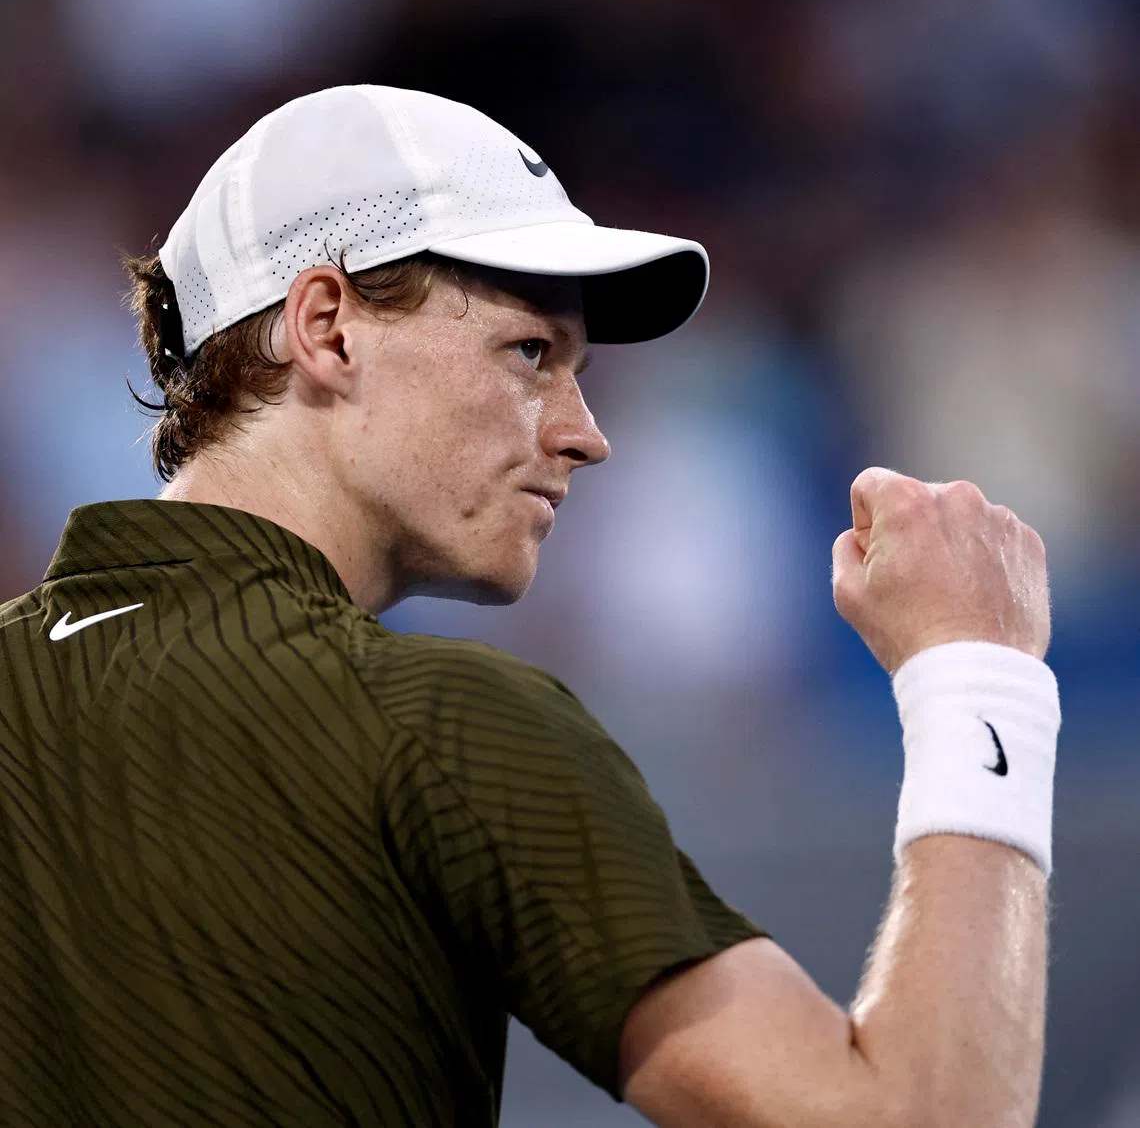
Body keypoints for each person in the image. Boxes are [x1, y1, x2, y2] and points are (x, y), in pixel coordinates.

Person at [0, 84, 1059, 1128]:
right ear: (326, 326)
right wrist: (980, 669)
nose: (585, 433)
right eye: (531, 354)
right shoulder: (441, 729)